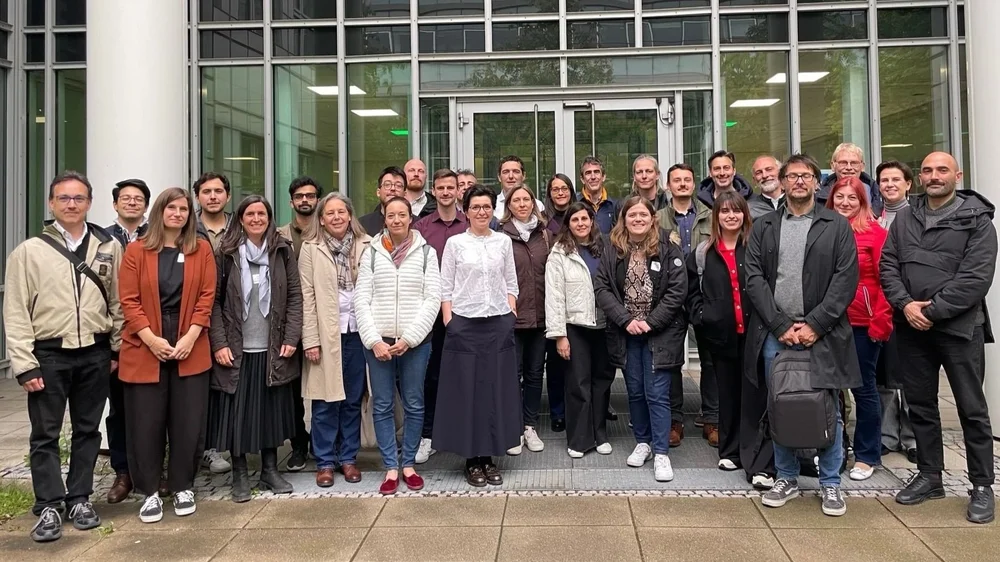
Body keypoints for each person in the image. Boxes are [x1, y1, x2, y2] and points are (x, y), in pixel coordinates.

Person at [4, 171, 123, 542]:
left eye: (79, 198)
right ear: (51, 203)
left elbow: (118, 301)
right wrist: (25, 364)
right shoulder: (29, 251)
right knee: (46, 433)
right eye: (64, 198)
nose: (72, 204)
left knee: (88, 429)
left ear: (89, 203)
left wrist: (116, 348)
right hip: (49, 354)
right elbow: (16, 310)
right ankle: (49, 504)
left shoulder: (107, 246)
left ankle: (80, 497)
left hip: (95, 352)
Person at [881, 151, 997, 524]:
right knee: (921, 405)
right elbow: (888, 264)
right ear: (920, 178)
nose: (934, 176)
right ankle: (930, 476)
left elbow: (975, 278)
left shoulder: (977, 221)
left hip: (960, 329)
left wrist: (929, 312)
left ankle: (982, 485)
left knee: (972, 409)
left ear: (957, 176)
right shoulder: (906, 217)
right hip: (911, 328)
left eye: (942, 170)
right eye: (928, 170)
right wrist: (905, 305)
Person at [745, 154, 860, 518]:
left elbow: (845, 279)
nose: (798, 181)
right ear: (782, 182)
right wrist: (780, 324)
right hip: (775, 333)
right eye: (792, 176)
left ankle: (830, 482)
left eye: (805, 175)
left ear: (816, 182)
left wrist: (815, 324)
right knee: (781, 405)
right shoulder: (764, 226)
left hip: (823, 333)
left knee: (828, 408)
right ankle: (786, 477)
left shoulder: (835, 225)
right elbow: (754, 278)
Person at [118, 188, 216, 524]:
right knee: (146, 423)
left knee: (188, 423)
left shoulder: (201, 249)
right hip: (146, 344)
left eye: (184, 209)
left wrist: (191, 336)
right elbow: (128, 300)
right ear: (160, 211)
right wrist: (150, 338)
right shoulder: (136, 251)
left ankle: (182, 486)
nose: (177, 213)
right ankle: (149, 492)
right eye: (171, 207)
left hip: (190, 342)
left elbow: (207, 296)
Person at [207, 196, 303, 503]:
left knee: (270, 413)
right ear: (241, 218)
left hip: (272, 348)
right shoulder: (226, 253)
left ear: (269, 218)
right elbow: (213, 303)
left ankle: (269, 470)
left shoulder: (282, 250)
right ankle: (239, 475)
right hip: (236, 349)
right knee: (238, 415)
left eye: (262, 213)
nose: (257, 218)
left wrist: (292, 337)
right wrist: (219, 343)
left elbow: (295, 297)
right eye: (250, 213)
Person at [434, 184, 522, 487]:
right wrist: (450, 320)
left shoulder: (503, 242)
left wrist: (510, 312)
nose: (481, 212)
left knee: (494, 392)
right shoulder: (456, 243)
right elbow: (445, 286)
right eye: (475, 207)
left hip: (497, 324)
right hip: (464, 326)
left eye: (486, 207)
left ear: (493, 210)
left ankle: (489, 456)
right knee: (467, 393)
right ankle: (471, 460)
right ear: (466, 211)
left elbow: (511, 281)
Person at [595, 196, 687, 482]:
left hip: (660, 332)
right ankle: (643, 442)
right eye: (632, 215)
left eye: (643, 215)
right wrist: (626, 320)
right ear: (624, 220)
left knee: (657, 393)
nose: (637, 219)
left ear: (652, 218)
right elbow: (602, 287)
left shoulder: (668, 246)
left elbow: (677, 290)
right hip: (626, 333)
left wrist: (650, 322)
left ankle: (661, 453)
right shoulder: (613, 248)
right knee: (635, 391)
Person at [355, 196, 441, 494]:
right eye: (391, 215)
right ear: (384, 218)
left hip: (415, 342)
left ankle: (409, 464)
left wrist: (409, 339)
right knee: (382, 404)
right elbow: (361, 299)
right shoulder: (372, 253)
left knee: (414, 403)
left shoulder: (426, 253)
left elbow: (432, 299)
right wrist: (373, 340)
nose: (396, 220)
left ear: (410, 217)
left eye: (402, 214)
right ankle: (391, 467)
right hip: (378, 341)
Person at [299, 193, 371, 487]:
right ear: (321, 219)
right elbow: (306, 297)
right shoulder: (310, 249)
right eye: (330, 213)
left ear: (350, 215)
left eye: (341, 211)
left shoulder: (367, 245)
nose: (337, 217)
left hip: (358, 333)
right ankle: (325, 462)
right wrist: (310, 339)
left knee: (352, 399)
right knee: (325, 400)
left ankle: (348, 458)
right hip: (326, 334)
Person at [825, 176, 893, 482]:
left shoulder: (875, 234)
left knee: (864, 389)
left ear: (862, 202)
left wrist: (880, 322)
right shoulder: (824, 230)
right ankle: (835, 448)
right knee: (830, 389)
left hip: (863, 323)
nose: (845, 203)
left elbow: (887, 281)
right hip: (828, 322)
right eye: (840, 197)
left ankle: (867, 454)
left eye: (852, 198)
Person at [685, 191, 753, 474]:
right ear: (716, 217)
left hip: (753, 335)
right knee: (727, 395)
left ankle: (753, 452)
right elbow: (690, 292)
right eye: (724, 211)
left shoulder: (755, 248)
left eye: (736, 211)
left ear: (744, 214)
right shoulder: (704, 253)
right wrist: (704, 316)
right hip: (721, 336)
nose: (731, 216)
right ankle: (730, 450)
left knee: (753, 395)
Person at [545, 202, 614, 457]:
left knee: (601, 382)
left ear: (592, 221)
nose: (581, 224)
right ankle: (579, 440)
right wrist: (559, 335)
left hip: (604, 324)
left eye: (584, 219)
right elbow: (554, 296)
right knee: (578, 383)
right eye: (575, 220)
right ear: (568, 224)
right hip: (575, 326)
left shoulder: (605, 248)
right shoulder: (559, 253)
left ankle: (600, 434)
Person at [655, 163, 716, 448]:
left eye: (687, 180)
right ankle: (674, 420)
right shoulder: (657, 219)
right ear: (668, 186)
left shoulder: (711, 216)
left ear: (693, 184)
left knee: (710, 360)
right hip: (670, 296)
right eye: (676, 180)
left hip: (704, 295)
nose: (682, 184)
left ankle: (712, 417)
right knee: (671, 362)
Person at [413, 169, 468, 464]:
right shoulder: (420, 228)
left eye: (451, 187)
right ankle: (428, 435)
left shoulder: (470, 224)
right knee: (431, 375)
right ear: (433, 191)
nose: (446, 192)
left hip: (466, 312)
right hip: (430, 314)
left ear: (458, 191)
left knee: (463, 374)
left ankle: (461, 432)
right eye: (441, 188)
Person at [104, 178, 152, 504]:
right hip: (115, 339)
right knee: (119, 408)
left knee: (153, 408)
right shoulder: (101, 239)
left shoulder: (158, 236)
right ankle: (123, 472)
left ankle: (152, 467)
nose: (132, 202)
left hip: (152, 336)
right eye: (126, 198)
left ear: (146, 206)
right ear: (115, 204)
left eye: (138, 199)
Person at [500, 185, 553, 455]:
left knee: (534, 374)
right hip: (512, 317)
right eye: (516, 200)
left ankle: (530, 426)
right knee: (512, 375)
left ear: (534, 203)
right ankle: (514, 428)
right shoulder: (500, 236)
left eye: (526, 199)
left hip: (541, 317)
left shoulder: (545, 235)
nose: (522, 204)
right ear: (508, 205)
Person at [276, 176, 322, 472]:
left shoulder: (327, 232)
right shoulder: (278, 235)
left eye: (310, 195)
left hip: (321, 321)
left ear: (318, 200)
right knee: (292, 389)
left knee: (321, 384)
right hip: (287, 323)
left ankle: (322, 441)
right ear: (291, 201)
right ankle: (298, 444)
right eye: (299, 196)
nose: (305, 200)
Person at [875, 160, 916, 463]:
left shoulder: (917, 217)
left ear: (908, 184)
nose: (889, 185)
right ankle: (887, 435)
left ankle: (913, 438)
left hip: (910, 304)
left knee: (912, 375)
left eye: (895, 180)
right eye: (884, 181)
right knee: (885, 376)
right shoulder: (874, 219)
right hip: (880, 307)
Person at [816, 142, 884, 217]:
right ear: (833, 166)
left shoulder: (878, 193)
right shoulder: (818, 196)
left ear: (862, 166)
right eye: (843, 163)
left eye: (854, 163)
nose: (849, 168)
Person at [613, 154, 671, 222]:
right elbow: (618, 228)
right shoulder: (624, 204)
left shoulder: (668, 201)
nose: (644, 176)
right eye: (639, 172)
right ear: (634, 177)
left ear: (657, 175)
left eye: (649, 171)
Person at [360, 166, 407, 236]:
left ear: (405, 194)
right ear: (378, 192)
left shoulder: (417, 224)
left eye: (398, 185)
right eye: (387, 184)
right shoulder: (362, 224)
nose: (393, 188)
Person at [193, 172, 233, 250]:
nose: (213, 197)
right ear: (197, 198)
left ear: (228, 197)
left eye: (218, 191)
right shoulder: (187, 227)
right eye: (206, 192)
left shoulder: (239, 228)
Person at [579, 156, 618, 234]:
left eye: (596, 172)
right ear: (582, 179)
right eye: (588, 173)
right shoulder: (575, 204)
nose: (593, 177)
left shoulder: (616, 206)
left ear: (603, 177)